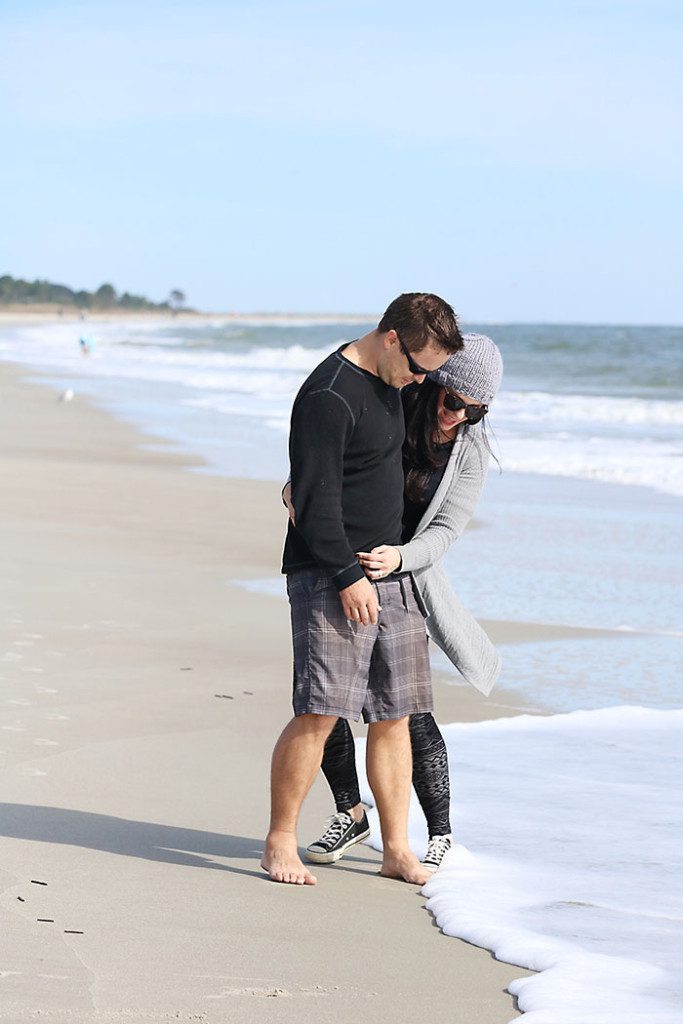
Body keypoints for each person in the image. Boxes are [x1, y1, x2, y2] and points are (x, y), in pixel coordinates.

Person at [261, 293, 463, 886]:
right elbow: (313, 501)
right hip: (330, 573)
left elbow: (467, 372)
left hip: (388, 574)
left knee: (395, 714)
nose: (423, 381)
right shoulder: (329, 396)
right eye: (420, 366)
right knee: (320, 711)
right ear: (393, 338)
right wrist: (348, 578)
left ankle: (397, 848)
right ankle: (279, 842)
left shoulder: (396, 382)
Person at [297, 334, 504, 873]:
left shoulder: (469, 451)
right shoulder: (395, 406)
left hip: (408, 570)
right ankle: (351, 811)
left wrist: (401, 557)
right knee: (328, 697)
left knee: (404, 708)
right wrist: (293, 490)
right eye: (453, 401)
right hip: (346, 562)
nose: (459, 417)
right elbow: (335, 462)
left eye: (475, 411)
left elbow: (446, 530)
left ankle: (439, 832)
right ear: (433, 382)